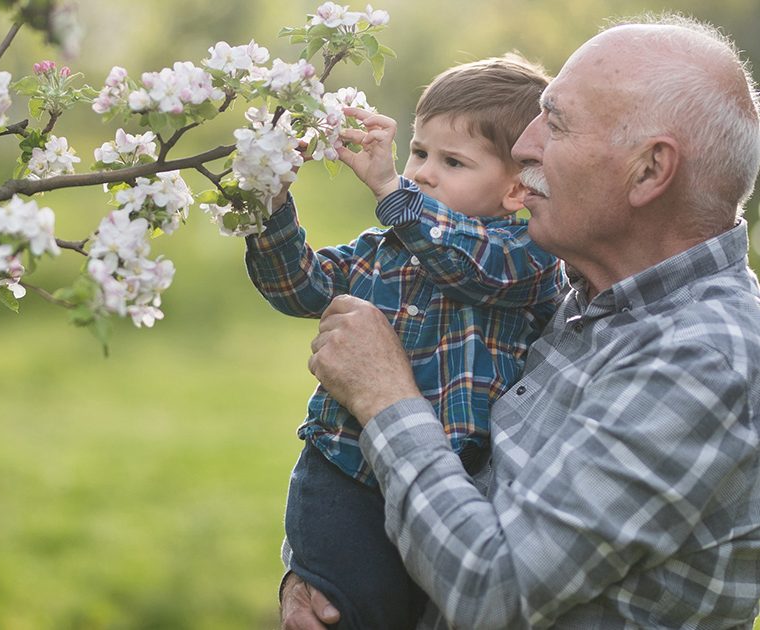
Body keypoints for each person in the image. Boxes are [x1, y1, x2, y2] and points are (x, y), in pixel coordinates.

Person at [287, 14, 760, 629]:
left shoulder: (703, 357)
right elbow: (460, 500)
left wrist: (383, 397)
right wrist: (325, 575)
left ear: (648, 170)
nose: (523, 146)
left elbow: (493, 589)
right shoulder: (570, 292)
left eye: (555, 122)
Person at [245, 55, 566, 628]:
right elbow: (299, 289)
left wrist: (394, 191)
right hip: (343, 471)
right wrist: (270, 207)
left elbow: (468, 264)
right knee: (349, 611)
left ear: (517, 188)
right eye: (418, 152)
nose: (422, 172)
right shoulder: (386, 245)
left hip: (453, 486)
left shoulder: (528, 258)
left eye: (453, 161)